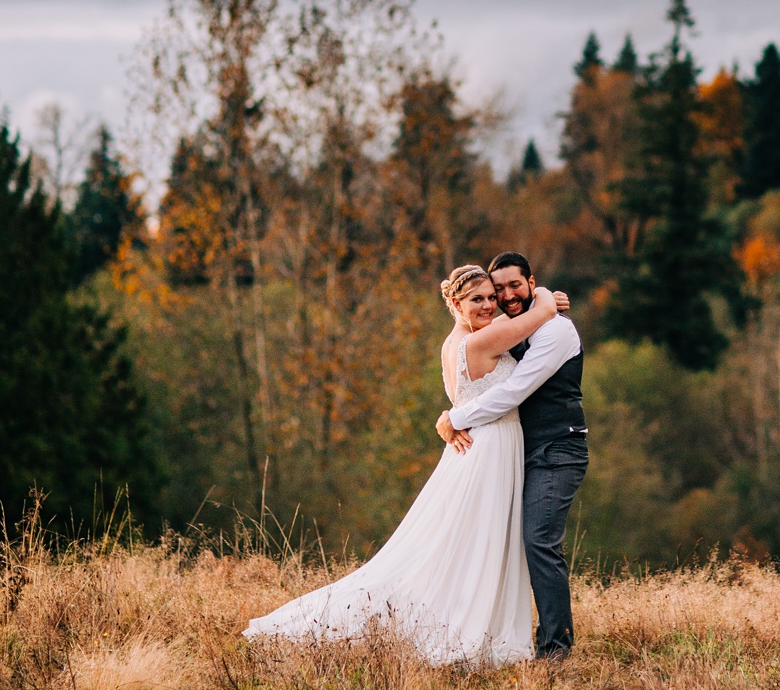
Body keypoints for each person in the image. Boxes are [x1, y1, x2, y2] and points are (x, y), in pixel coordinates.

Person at [242, 264, 563, 666]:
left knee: (469, 542)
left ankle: (477, 618)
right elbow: (542, 314)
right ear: (455, 303)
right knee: (480, 541)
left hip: (480, 444)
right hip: (491, 447)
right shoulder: (482, 341)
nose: (488, 304)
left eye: (490, 296)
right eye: (476, 299)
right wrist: (546, 295)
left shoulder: (458, 339)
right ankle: (470, 628)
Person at [436, 251, 587, 660]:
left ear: (530, 281)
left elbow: (514, 390)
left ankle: (555, 648)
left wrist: (456, 415)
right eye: (494, 290)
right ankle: (481, 630)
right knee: (491, 542)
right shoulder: (505, 326)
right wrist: (543, 299)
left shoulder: (554, 331)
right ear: (458, 304)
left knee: (538, 540)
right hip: (510, 451)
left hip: (558, 447)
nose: (502, 297)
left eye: (512, 286)